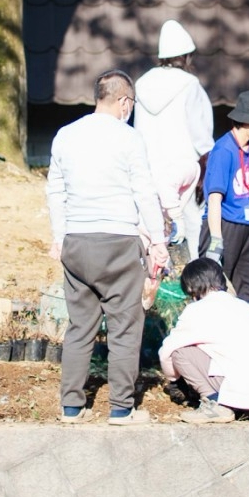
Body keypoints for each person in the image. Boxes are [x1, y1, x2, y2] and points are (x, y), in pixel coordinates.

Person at [46, 70, 168, 424]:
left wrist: (60, 235)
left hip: (77, 242)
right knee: (125, 328)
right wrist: (158, 240)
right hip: (118, 241)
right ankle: (121, 408)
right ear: (124, 102)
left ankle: (71, 406)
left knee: (80, 326)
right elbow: (144, 192)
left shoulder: (65, 136)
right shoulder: (129, 138)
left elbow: (55, 190)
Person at [159, 257, 249, 422]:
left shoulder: (196, 310)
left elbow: (166, 352)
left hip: (239, 389)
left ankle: (214, 404)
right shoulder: (247, 307)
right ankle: (248, 408)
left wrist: (174, 381)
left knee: (181, 351)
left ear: (191, 286)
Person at [133, 19, 215, 261]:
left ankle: (151, 281)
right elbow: (201, 134)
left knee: (150, 227)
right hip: (182, 171)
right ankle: (194, 281)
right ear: (186, 56)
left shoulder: (142, 83)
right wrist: (207, 165)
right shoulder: (190, 85)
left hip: (147, 168)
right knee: (190, 225)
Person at [201, 90, 249, 306]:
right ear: (247, 120)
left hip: (246, 227)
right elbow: (215, 198)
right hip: (224, 226)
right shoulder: (223, 150)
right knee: (213, 291)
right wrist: (216, 240)